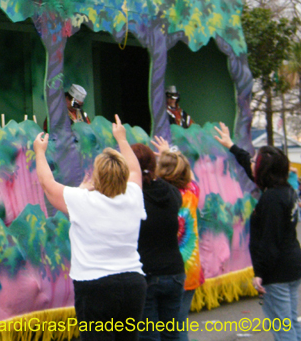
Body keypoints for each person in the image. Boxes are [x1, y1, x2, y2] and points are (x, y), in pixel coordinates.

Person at [34, 115, 146, 341]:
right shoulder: (133, 195)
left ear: (97, 175)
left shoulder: (81, 199)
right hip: (133, 283)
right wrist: (122, 139)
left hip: (95, 286)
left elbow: (48, 184)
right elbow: (136, 171)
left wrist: (39, 151)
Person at [215, 123, 301, 341]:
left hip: (278, 271)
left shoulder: (272, 199)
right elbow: (252, 168)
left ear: (264, 171)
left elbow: (269, 242)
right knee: (290, 321)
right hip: (291, 266)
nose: (252, 162)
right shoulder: (284, 190)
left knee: (283, 327)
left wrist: (260, 274)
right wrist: (232, 146)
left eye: (256, 161)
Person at [152, 139, 205, 341]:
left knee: (160, 329)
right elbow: (189, 174)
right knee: (178, 326)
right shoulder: (193, 191)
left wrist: (166, 156)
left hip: (167, 269)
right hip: (190, 269)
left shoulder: (160, 196)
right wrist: (171, 154)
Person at [131, 143, 185, 341]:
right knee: (172, 334)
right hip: (174, 271)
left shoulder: (132, 197)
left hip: (147, 273)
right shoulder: (171, 193)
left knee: (148, 336)